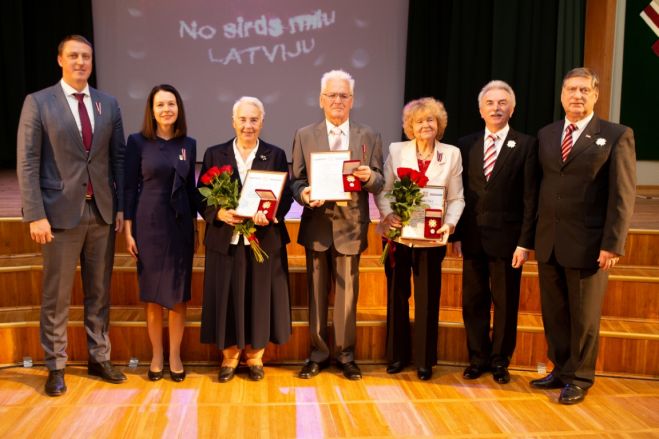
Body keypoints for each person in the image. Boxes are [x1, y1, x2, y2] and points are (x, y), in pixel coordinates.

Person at [16, 35, 126, 396]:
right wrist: (35, 213)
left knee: (99, 292)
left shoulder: (107, 104)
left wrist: (120, 206)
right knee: (57, 296)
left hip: (102, 212)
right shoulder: (38, 103)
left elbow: (118, 160)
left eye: (86, 57)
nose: (81, 62)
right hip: (58, 215)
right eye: (74, 56)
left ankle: (99, 357)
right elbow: (28, 161)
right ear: (60, 59)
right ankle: (56, 365)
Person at [531, 68, 636, 404]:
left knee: (585, 317)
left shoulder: (616, 135)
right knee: (555, 312)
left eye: (583, 90)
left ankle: (580, 377)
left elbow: (623, 195)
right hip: (550, 241)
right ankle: (560, 369)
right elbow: (539, 188)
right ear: (562, 95)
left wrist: (612, 243)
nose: (576, 96)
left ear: (595, 95)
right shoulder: (546, 134)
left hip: (590, 245)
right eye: (571, 90)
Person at [291, 69, 384, 380]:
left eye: (343, 95)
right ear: (321, 100)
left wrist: (370, 177)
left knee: (347, 297)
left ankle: (346, 356)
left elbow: (380, 180)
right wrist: (304, 194)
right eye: (332, 95)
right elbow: (297, 180)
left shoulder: (369, 135)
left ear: (352, 100)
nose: (337, 100)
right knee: (317, 294)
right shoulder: (304, 134)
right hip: (317, 224)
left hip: (351, 227)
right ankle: (317, 355)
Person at [199, 96, 293, 382]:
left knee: (259, 297)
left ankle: (255, 357)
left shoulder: (274, 154)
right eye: (243, 119)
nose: (248, 125)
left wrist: (272, 213)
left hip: (262, 239)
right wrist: (219, 213)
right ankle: (229, 357)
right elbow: (200, 195)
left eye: (254, 120)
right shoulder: (215, 154)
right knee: (226, 296)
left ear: (262, 123)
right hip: (226, 240)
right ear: (233, 122)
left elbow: (285, 196)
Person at [453, 80, 539, 384]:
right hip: (473, 237)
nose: (496, 107)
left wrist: (525, 242)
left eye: (503, 102)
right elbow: (458, 193)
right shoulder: (465, 145)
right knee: (473, 302)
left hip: (508, 240)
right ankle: (477, 358)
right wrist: (457, 236)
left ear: (512, 109)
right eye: (490, 103)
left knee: (505, 304)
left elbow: (531, 198)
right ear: (480, 110)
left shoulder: (527, 145)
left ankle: (501, 361)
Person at [375, 97, 465, 380]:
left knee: (427, 300)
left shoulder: (451, 154)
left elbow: (457, 197)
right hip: (398, 237)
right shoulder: (397, 150)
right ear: (409, 127)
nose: (425, 125)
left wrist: (449, 224)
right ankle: (397, 356)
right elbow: (384, 190)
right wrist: (389, 215)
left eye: (430, 120)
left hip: (431, 240)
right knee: (396, 297)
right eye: (419, 121)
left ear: (439, 125)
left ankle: (425, 361)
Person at [123, 84, 197, 382]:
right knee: (153, 296)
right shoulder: (137, 142)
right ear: (151, 111)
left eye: (171, 104)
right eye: (160, 105)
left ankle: (175, 355)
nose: (166, 109)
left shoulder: (188, 144)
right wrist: (128, 231)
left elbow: (191, 190)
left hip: (179, 227)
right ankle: (156, 356)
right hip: (148, 224)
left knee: (179, 296)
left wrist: (204, 221)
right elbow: (128, 188)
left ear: (178, 108)